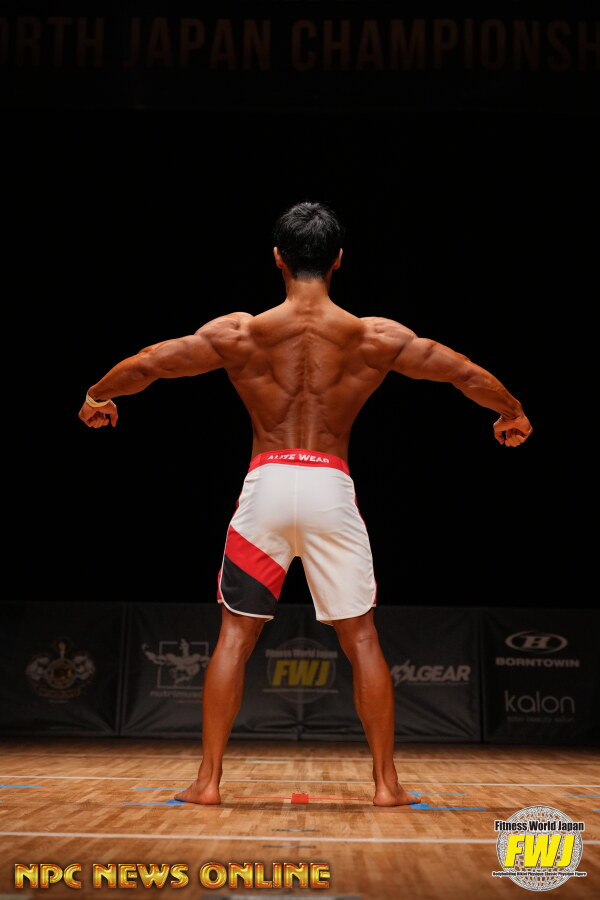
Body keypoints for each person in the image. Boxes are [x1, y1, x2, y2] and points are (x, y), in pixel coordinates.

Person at [78, 201, 532, 806]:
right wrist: (511, 411)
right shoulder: (374, 337)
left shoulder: (240, 333)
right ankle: (386, 786)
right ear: (339, 259)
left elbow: (151, 363)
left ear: (277, 258)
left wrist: (98, 396)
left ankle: (207, 783)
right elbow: (463, 372)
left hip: (266, 485)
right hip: (329, 487)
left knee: (235, 637)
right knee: (361, 638)